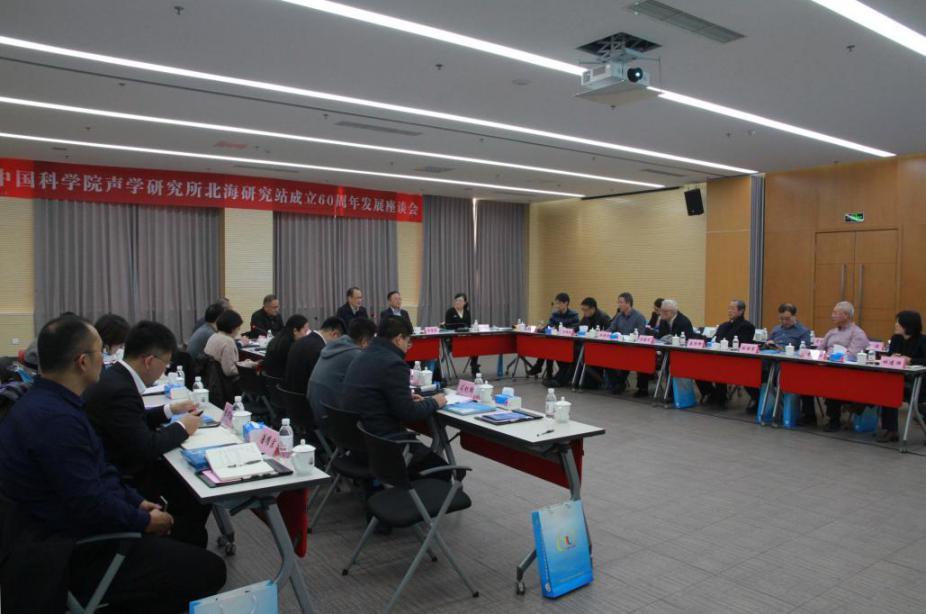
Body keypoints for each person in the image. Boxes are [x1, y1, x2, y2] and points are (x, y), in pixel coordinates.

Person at [0, 315, 225, 612]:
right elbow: (89, 502)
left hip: (54, 532)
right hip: (66, 551)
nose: (107, 359)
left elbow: (98, 472)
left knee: (185, 535)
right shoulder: (56, 421)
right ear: (83, 362)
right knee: (211, 570)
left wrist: (135, 502)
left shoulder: (48, 403)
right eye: (101, 351)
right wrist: (143, 520)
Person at [83, 320, 210, 548]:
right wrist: (183, 427)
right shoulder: (120, 389)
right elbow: (147, 446)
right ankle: (181, 541)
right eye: (166, 363)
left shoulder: (116, 376)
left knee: (190, 479)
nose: (166, 369)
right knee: (195, 484)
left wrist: (171, 410)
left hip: (118, 462)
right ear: (150, 361)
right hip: (126, 475)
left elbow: (134, 421)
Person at [341, 316, 448, 475]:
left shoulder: (362, 355)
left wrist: (404, 398)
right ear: (398, 339)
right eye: (408, 341)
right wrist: (434, 401)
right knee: (444, 471)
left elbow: (375, 394)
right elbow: (408, 413)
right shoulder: (394, 363)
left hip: (358, 442)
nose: (408, 347)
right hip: (383, 445)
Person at [308, 318, 378, 431]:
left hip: (317, 414)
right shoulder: (356, 356)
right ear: (365, 341)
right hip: (334, 423)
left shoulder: (332, 347)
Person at [821, 301, 871, 432]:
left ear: (846, 315)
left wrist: (833, 357)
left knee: (833, 379)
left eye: (835, 313)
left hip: (847, 373)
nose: (832, 315)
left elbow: (852, 356)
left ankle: (834, 420)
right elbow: (820, 350)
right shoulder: (831, 332)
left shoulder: (858, 334)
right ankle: (809, 414)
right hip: (827, 368)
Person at [698, 300, 757, 409]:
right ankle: (711, 393)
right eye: (729, 308)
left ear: (741, 311)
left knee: (719, 367)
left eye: (732, 309)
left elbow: (741, 344)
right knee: (698, 366)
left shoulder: (747, 326)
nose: (729, 311)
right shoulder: (723, 325)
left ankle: (721, 397)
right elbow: (715, 339)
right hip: (718, 357)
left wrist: (723, 342)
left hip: (737, 360)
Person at [878, 311, 926, 442]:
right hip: (899, 379)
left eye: (898, 323)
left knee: (891, 388)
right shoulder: (896, 339)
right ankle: (891, 430)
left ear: (908, 326)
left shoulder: (923, 341)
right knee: (887, 388)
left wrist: (911, 360)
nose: (895, 325)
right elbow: (890, 355)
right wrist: (892, 357)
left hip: (918, 381)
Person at [766, 303, 815, 425]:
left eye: (787, 319)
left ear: (794, 317)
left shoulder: (803, 331)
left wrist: (785, 350)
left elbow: (805, 351)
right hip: (773, 361)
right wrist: (769, 344)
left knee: (803, 379)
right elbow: (768, 342)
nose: (784, 321)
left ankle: (806, 414)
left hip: (792, 365)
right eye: (781, 319)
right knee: (758, 372)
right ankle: (764, 406)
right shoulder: (776, 329)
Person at [283, 317, 345, 394]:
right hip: (305, 397)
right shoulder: (321, 351)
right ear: (334, 334)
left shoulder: (298, 342)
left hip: (289, 395)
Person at [529, 292, 579, 380]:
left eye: (559, 303)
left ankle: (540, 367)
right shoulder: (555, 314)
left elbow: (575, 328)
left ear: (566, 303)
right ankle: (547, 372)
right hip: (555, 342)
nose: (557, 306)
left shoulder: (574, 315)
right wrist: (540, 330)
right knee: (548, 345)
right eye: (556, 303)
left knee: (549, 346)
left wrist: (560, 329)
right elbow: (549, 326)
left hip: (567, 343)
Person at [607, 292, 649, 396]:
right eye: (618, 302)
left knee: (632, 358)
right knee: (605, 357)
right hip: (620, 347)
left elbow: (640, 335)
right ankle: (617, 383)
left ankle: (623, 384)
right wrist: (603, 334)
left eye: (621, 302)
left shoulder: (639, 317)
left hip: (635, 348)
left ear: (628, 303)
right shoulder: (618, 316)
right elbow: (611, 329)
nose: (619, 305)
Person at [442, 293, 480, 377]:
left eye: (460, 300)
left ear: (465, 302)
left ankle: (474, 366)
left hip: (466, 338)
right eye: (456, 300)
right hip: (453, 340)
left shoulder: (467, 312)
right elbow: (448, 327)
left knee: (476, 345)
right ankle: (474, 366)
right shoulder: (450, 312)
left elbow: (468, 326)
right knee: (471, 345)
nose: (457, 302)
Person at [262, 314, 309, 379]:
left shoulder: (279, 337)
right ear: (295, 331)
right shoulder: (290, 345)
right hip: (281, 381)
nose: (306, 335)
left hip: (270, 380)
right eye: (305, 331)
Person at [204, 309, 244, 379]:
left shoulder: (214, 336)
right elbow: (229, 371)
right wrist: (246, 367)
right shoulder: (228, 342)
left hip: (210, 379)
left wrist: (244, 363)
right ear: (232, 328)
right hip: (223, 382)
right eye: (238, 328)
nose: (238, 331)